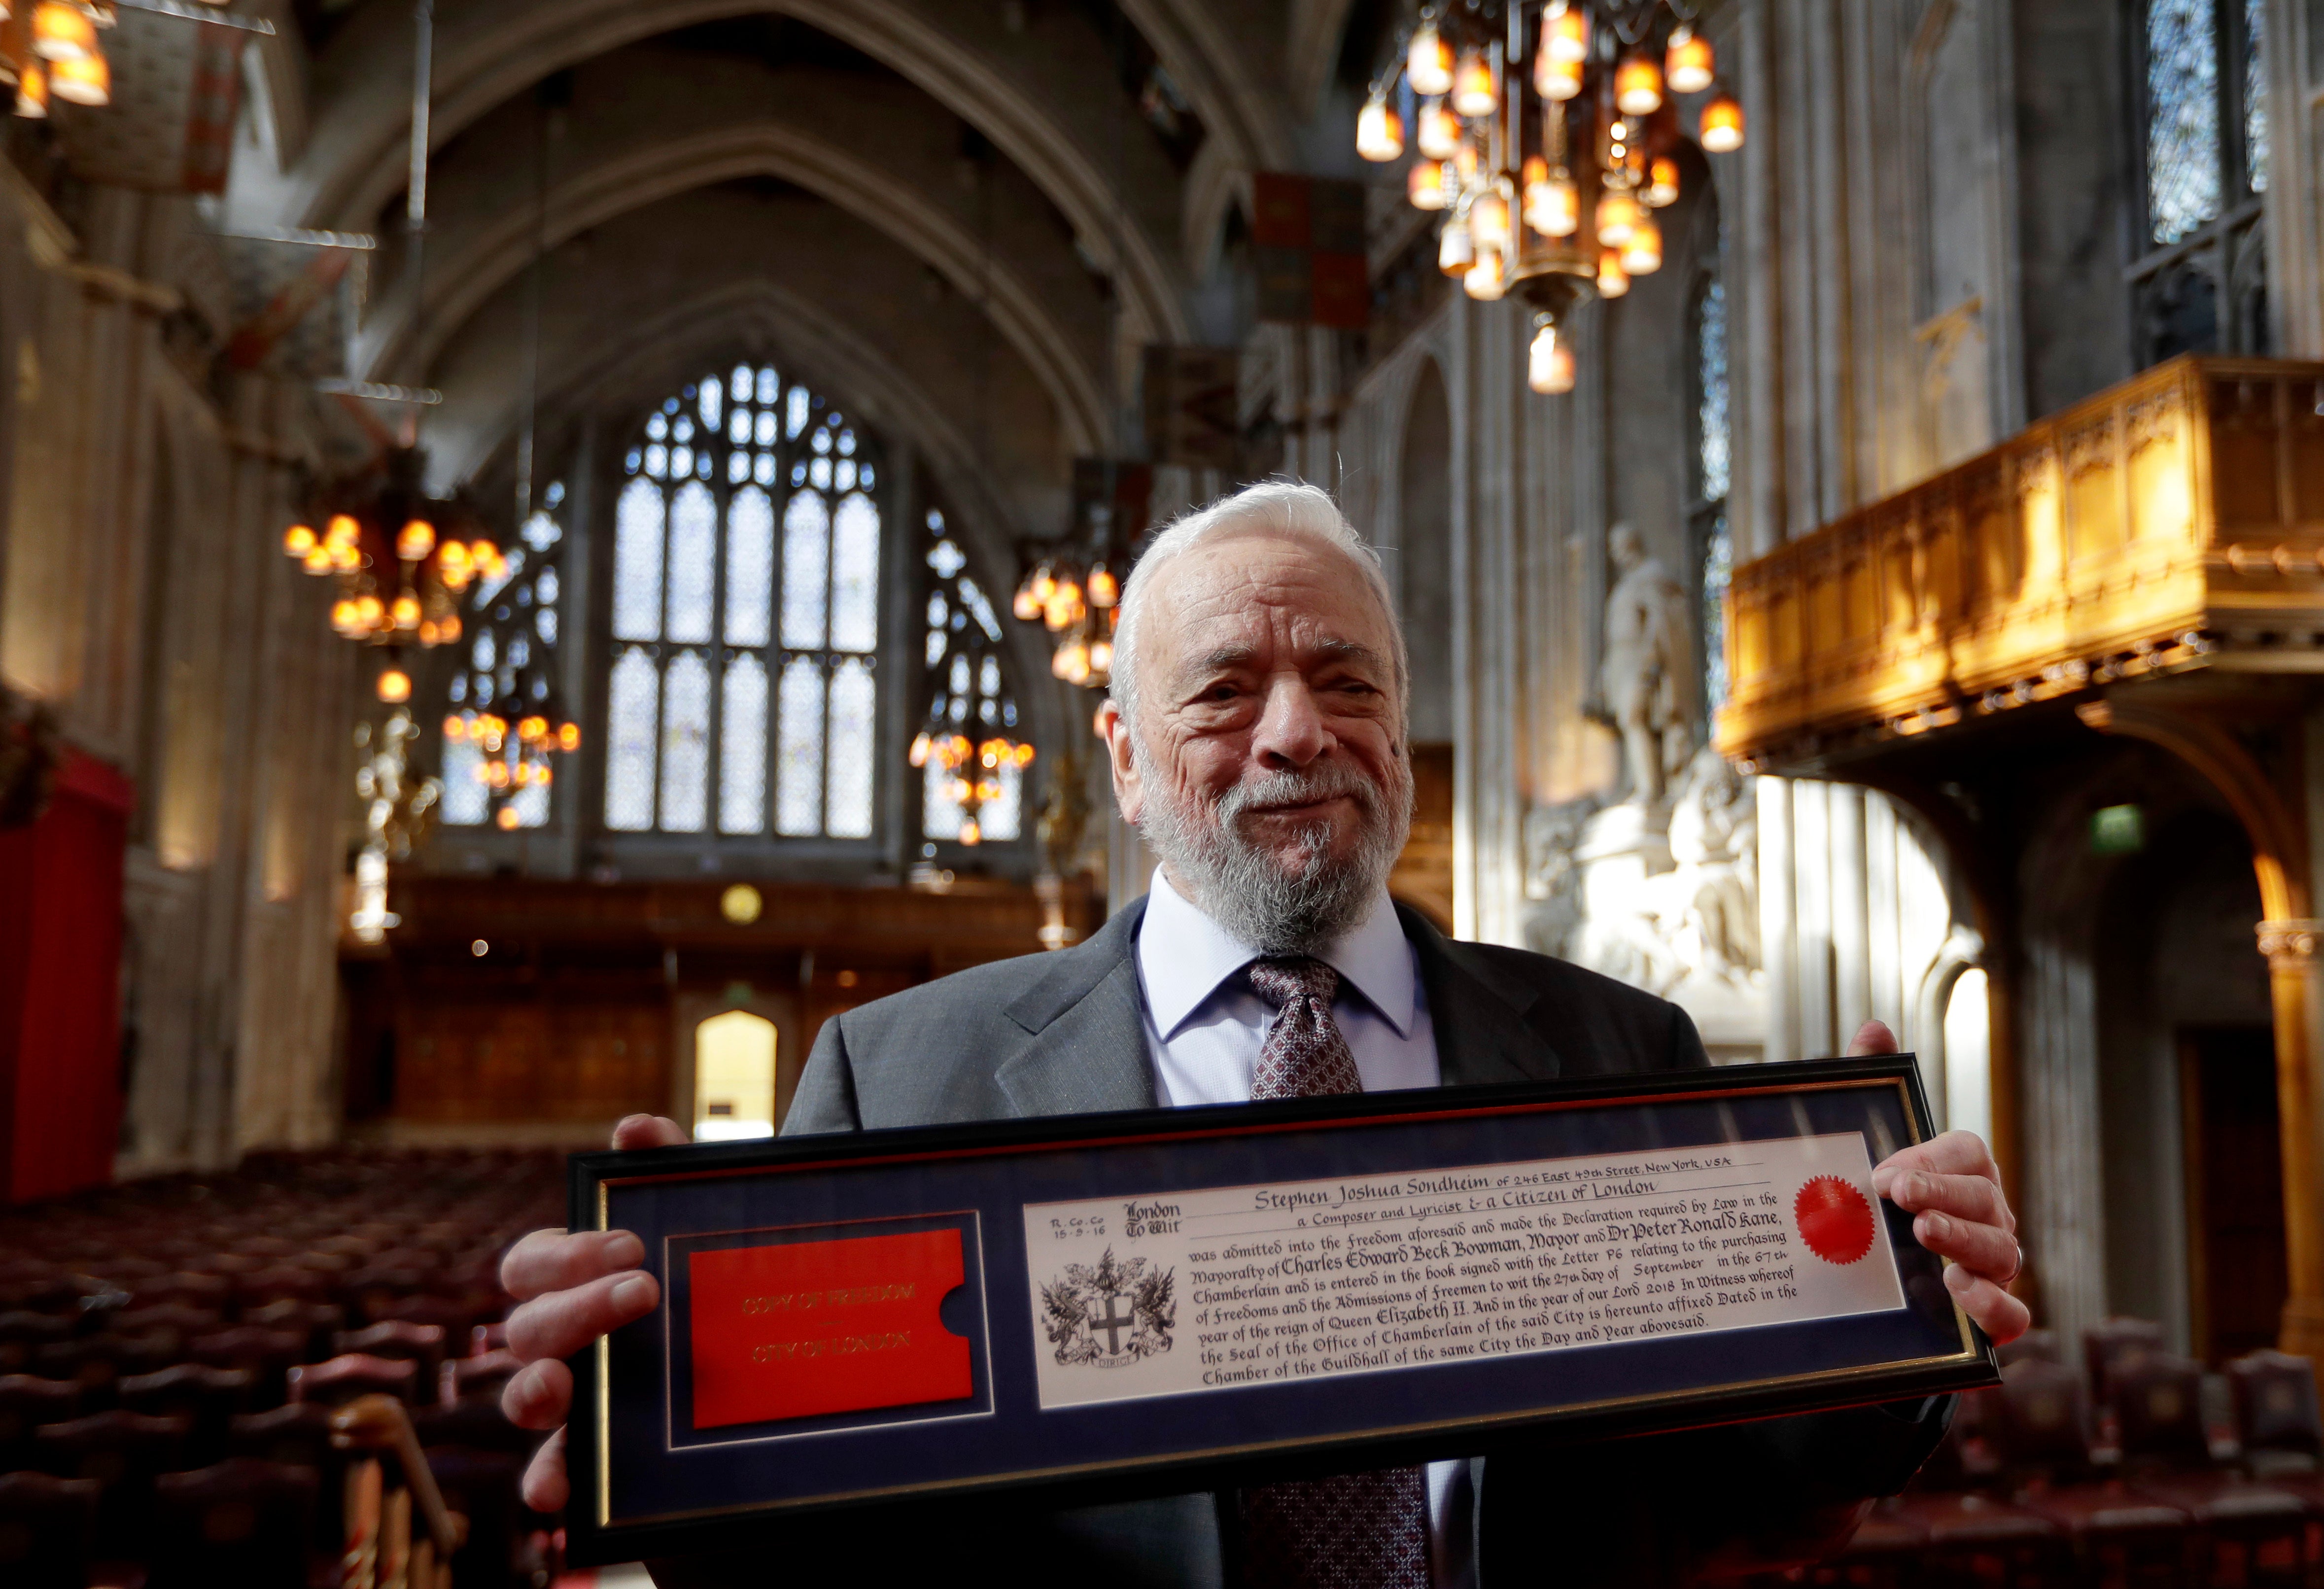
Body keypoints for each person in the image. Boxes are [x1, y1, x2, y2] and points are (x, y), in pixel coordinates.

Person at [499, 482, 2028, 1589]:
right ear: (1125, 756)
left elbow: (1747, 1504)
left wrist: (1891, 1325)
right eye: (1226, 689)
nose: (1295, 731)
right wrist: (671, 1452)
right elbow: (831, 1555)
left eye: (1343, 680)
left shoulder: (1622, 1045)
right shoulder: (900, 1074)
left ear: (1399, 717)